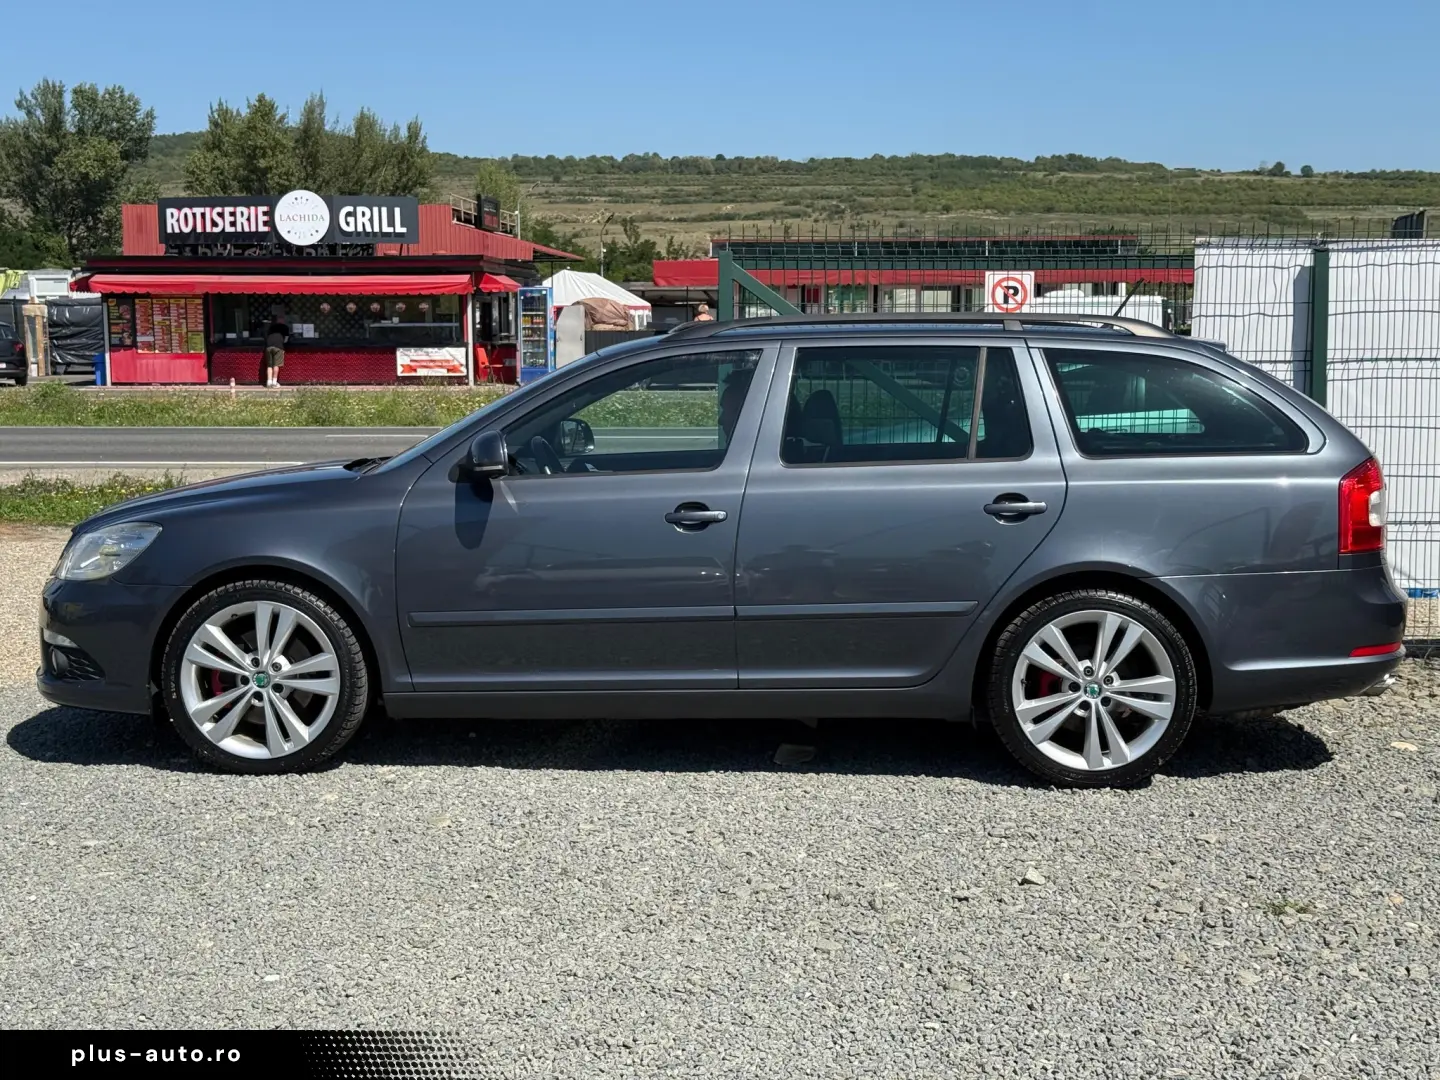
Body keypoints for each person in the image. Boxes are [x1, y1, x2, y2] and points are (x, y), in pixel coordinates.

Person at [263, 310, 289, 388]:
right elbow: (286, 340)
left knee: (269, 365)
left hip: (268, 346)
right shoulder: (285, 327)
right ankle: (274, 382)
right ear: (283, 320)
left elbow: (266, 336)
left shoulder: (272, 327)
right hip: (278, 346)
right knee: (276, 365)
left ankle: (269, 382)